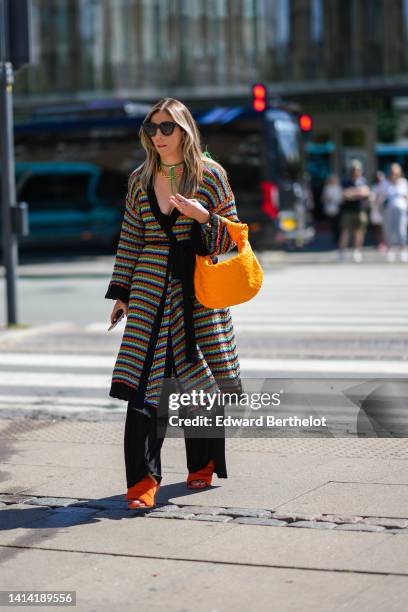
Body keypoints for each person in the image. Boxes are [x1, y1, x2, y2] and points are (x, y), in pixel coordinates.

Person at [105, 97, 243, 509]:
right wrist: (122, 293)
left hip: (196, 292)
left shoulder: (211, 175)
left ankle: (202, 465)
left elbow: (233, 239)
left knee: (197, 384)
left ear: (185, 129)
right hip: (149, 292)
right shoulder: (139, 178)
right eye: (152, 128)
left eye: (167, 127)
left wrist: (203, 217)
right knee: (144, 384)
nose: (159, 136)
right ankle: (142, 481)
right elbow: (131, 237)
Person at [337, 159, 371, 262]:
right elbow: (345, 194)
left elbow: (366, 192)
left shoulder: (363, 180)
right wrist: (358, 192)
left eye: (357, 169)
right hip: (348, 211)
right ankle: (341, 252)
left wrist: (353, 193)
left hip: (360, 210)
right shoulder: (345, 181)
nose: (355, 171)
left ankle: (357, 251)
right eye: (353, 169)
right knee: (345, 232)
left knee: (359, 232)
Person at [381, 163, 408, 262]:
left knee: (401, 230)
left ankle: (403, 250)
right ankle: (390, 249)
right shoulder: (385, 183)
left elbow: (406, 196)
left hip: (401, 209)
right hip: (388, 209)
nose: (394, 174)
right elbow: (381, 197)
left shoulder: (404, 182)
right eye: (392, 172)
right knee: (388, 230)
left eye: (396, 172)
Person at [321, 174, 342, 247]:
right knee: (333, 225)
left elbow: (341, 198)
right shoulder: (327, 188)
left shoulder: (338, 187)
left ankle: (338, 238)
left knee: (338, 224)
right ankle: (335, 238)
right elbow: (323, 198)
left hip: (337, 209)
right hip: (329, 209)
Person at [369, 170, 387, 251]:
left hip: (385, 210)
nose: (379, 179)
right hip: (376, 210)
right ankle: (380, 243)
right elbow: (372, 198)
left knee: (385, 228)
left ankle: (385, 242)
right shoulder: (374, 187)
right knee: (377, 228)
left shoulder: (386, 186)